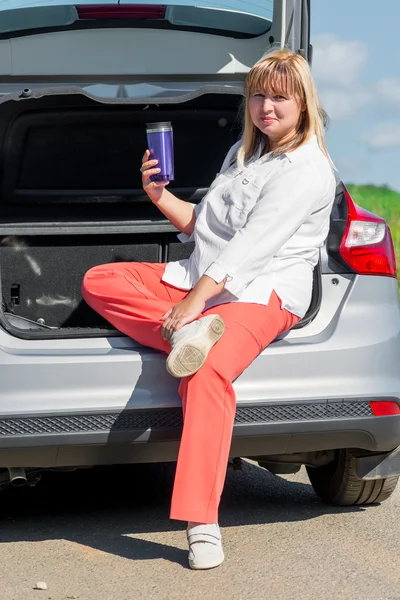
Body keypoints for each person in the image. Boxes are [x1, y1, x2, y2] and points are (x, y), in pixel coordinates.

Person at [81, 48, 337, 570]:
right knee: (100, 279)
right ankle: (185, 336)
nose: (267, 107)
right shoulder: (243, 155)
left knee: (206, 374)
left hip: (259, 294)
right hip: (201, 285)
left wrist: (194, 303)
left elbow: (251, 248)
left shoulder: (308, 169)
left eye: (280, 98)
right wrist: (160, 197)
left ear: (303, 103)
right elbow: (209, 228)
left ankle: (202, 522)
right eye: (259, 96)